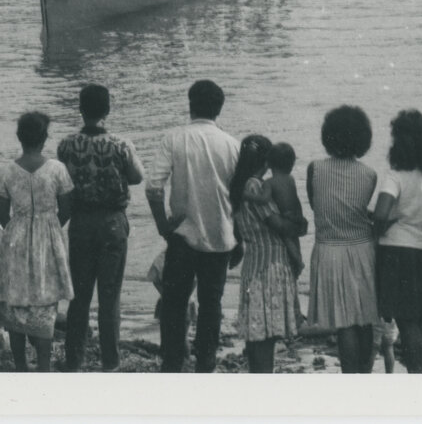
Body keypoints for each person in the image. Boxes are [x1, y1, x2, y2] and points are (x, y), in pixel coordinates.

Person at [146, 79, 241, 372]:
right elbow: (239, 198)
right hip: (220, 236)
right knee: (211, 304)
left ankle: (173, 363)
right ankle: (206, 362)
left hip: (183, 236)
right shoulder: (232, 145)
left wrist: (163, 225)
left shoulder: (174, 138)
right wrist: (239, 237)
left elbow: (153, 187)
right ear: (219, 109)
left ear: (190, 105)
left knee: (174, 303)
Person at [56, 84, 144, 371]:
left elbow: (63, 184)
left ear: (80, 109)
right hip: (112, 222)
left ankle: (74, 359)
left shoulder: (66, 145)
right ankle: (110, 361)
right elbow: (136, 177)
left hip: (80, 221)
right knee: (110, 295)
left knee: (79, 296)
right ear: (108, 110)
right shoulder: (120, 145)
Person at [0, 112, 75, 371]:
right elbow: (67, 208)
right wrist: (49, 226)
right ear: (44, 138)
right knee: (46, 303)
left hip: (15, 235)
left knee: (15, 303)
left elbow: (1, 215)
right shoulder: (57, 169)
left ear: (19, 137)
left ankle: (20, 365)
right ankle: (43, 366)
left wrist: (21, 227)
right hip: (49, 235)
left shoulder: (6, 171)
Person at [307, 105, 379, 372]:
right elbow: (360, 210)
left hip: (330, 249)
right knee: (365, 318)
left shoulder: (315, 169)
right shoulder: (369, 174)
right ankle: (364, 373)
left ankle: (350, 376)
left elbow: (316, 206)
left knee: (344, 322)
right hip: (363, 249)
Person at [372, 109, 422, 374]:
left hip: (397, 252)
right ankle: (417, 372)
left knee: (405, 321)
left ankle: (414, 375)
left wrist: (382, 226)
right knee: (418, 321)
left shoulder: (396, 175)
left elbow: (380, 213)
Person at [230, 134, 302, 373]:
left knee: (257, 333)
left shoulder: (241, 185)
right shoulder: (255, 186)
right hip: (269, 265)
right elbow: (277, 224)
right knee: (265, 336)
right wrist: (301, 226)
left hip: (254, 263)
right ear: (266, 161)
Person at [265, 142, 307, 276]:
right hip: (296, 216)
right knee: (295, 241)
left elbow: (264, 198)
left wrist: (247, 194)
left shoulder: (269, 182)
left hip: (285, 217)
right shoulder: (291, 178)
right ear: (292, 164)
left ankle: (298, 262)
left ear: (269, 164)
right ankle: (297, 264)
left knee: (288, 240)